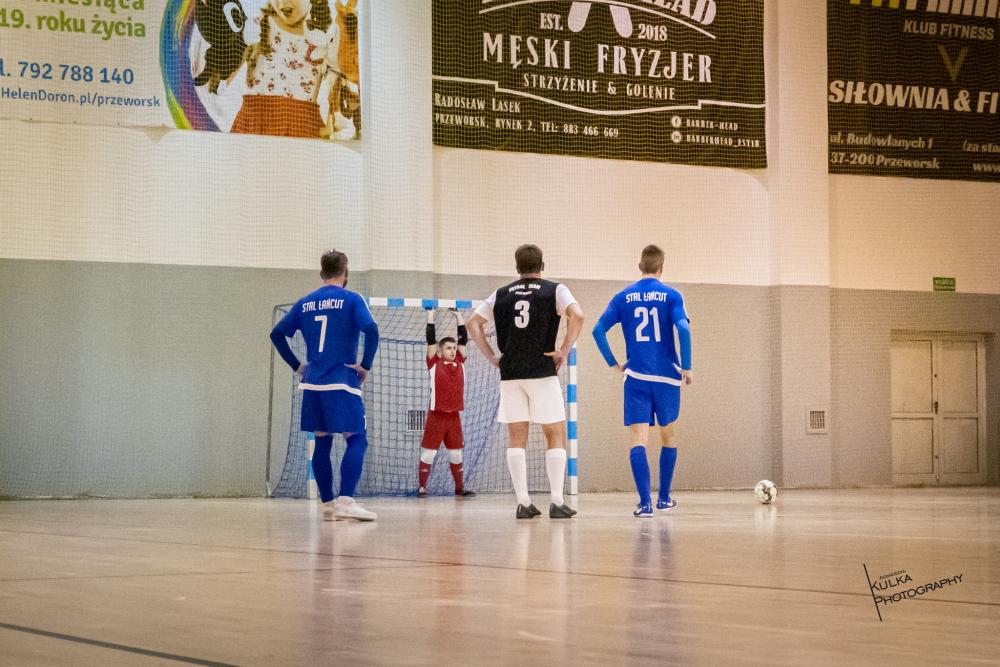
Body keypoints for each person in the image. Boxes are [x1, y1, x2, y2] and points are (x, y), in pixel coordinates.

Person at [466, 245, 585, 519]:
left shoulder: (500, 294)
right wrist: (564, 350)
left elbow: (473, 323)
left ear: (517, 267)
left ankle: (523, 503)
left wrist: (491, 356)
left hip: (510, 373)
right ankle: (557, 501)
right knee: (555, 433)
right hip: (542, 370)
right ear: (542, 265)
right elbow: (578, 315)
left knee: (516, 437)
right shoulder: (555, 290)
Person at [270, 250, 379, 521]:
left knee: (322, 441)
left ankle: (329, 504)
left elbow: (277, 334)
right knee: (357, 438)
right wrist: (365, 365)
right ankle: (346, 501)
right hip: (341, 383)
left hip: (312, 385)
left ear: (322, 273)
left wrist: (298, 366)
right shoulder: (352, 299)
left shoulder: (305, 302)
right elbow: (372, 330)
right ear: (345, 273)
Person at [591, 245, 692, 518]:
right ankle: (664, 499)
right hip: (667, 378)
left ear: (640, 267)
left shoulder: (623, 297)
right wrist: (687, 367)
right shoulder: (672, 295)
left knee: (638, 439)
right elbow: (683, 328)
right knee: (668, 436)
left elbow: (597, 330)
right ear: (661, 268)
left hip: (636, 377)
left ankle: (645, 504)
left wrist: (613, 363)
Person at [418, 308, 476, 498]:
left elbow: (464, 339)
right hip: (436, 417)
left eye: (454, 348)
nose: (453, 350)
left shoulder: (460, 361)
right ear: (440, 351)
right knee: (428, 454)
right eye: (448, 348)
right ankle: (422, 488)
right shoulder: (434, 363)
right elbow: (430, 340)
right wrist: (430, 314)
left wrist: (459, 317)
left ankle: (459, 489)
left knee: (456, 455)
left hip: (454, 418)